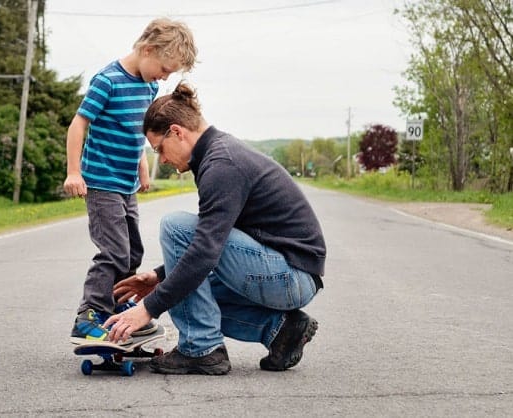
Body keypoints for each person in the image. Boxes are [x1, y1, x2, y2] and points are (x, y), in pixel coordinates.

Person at [104, 83, 326, 374]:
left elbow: (205, 249)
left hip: (291, 274)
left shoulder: (222, 164)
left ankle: (201, 349)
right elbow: (212, 237)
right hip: (288, 272)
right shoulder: (216, 155)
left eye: (159, 149)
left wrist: (147, 309)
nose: (164, 159)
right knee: (189, 296)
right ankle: (282, 330)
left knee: (175, 227)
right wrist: (160, 276)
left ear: (177, 132)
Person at [66, 19, 198, 345]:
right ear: (148, 49)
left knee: (132, 253)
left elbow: (140, 131)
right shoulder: (107, 81)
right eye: (165, 68)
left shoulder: (149, 87)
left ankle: (120, 315)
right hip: (101, 181)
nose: (165, 77)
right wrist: (73, 171)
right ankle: (89, 317)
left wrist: (142, 166)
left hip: (126, 184)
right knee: (113, 251)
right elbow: (78, 125)